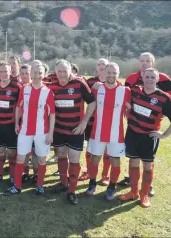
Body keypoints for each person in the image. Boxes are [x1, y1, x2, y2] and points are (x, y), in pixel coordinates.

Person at [119, 52, 171, 194]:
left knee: (148, 161)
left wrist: (163, 132)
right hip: (133, 126)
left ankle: (147, 188)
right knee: (133, 158)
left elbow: (165, 101)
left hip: (152, 127)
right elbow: (125, 97)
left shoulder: (164, 82)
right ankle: (132, 185)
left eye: (147, 60)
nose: (144, 63)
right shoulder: (132, 80)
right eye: (142, 60)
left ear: (152, 63)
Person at [48, 59, 96, 205]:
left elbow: (92, 102)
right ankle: (63, 183)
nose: (62, 74)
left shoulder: (79, 83)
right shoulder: (52, 85)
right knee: (61, 156)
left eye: (65, 70)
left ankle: (72, 190)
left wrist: (84, 122)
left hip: (76, 130)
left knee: (74, 159)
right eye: (59, 71)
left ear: (70, 70)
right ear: (55, 72)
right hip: (58, 129)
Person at [3, 63, 55, 196]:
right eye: (35, 72)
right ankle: (17, 186)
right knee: (20, 157)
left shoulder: (48, 92)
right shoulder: (25, 89)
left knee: (42, 159)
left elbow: (52, 114)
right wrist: (16, 124)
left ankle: (40, 186)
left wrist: (50, 133)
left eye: (40, 73)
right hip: (25, 130)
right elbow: (19, 107)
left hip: (41, 132)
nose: (37, 75)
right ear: (31, 73)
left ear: (44, 75)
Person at [85, 62, 131, 200]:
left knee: (115, 160)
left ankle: (111, 186)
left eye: (114, 73)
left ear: (118, 74)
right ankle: (92, 183)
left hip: (116, 135)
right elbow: (91, 105)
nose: (111, 75)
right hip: (97, 132)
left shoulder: (125, 91)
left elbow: (132, 107)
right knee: (95, 159)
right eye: (108, 72)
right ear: (104, 73)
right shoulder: (97, 89)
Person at [80, 58, 111, 184]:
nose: (101, 66)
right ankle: (88, 171)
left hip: (107, 121)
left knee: (106, 150)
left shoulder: (113, 82)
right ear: (96, 67)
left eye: (104, 64)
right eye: (99, 64)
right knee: (90, 148)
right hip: (92, 120)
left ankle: (105, 175)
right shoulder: (90, 81)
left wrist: (103, 86)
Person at [0, 63, 20, 185]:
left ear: (10, 72)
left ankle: (12, 175)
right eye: (1, 71)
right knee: (0, 151)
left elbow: (20, 106)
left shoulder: (16, 87)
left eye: (5, 71)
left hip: (11, 125)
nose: (3, 74)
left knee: (12, 152)